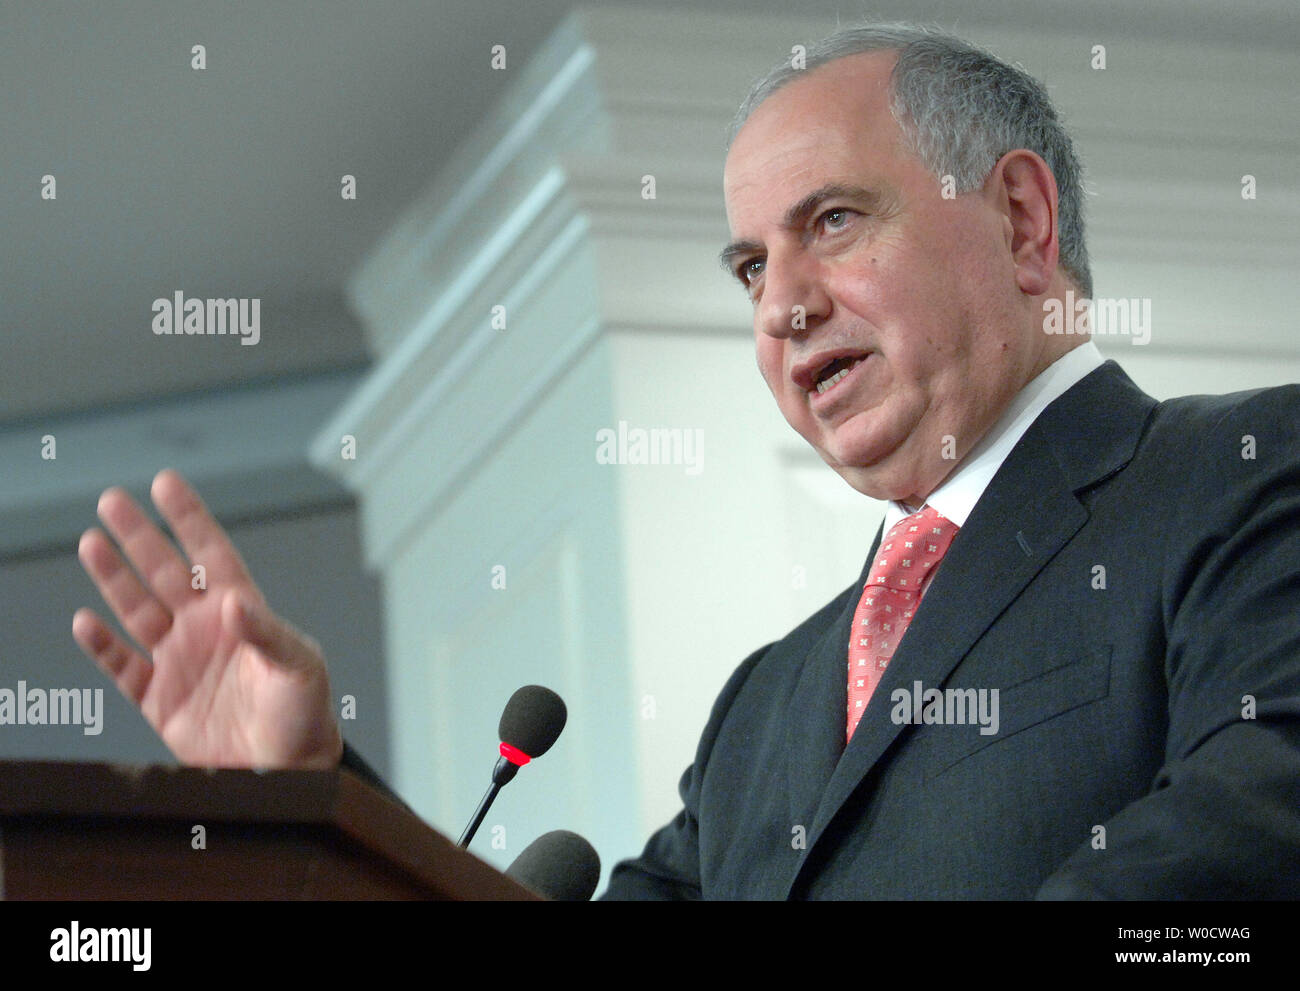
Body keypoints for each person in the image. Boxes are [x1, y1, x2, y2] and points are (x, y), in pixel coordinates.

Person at [72, 23, 1300, 898]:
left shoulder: (1243, 475)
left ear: (1022, 223)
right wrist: (315, 801)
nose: (782, 306)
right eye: (751, 267)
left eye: (831, 221)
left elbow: (1246, 845)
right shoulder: (766, 703)